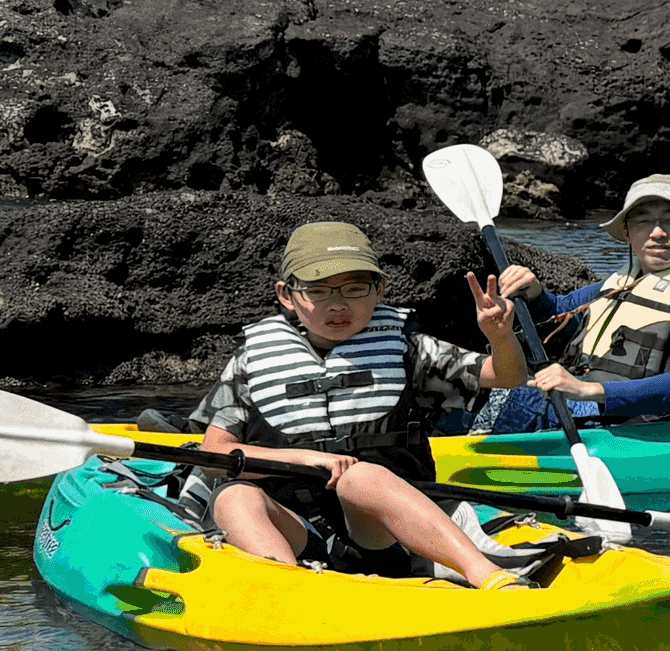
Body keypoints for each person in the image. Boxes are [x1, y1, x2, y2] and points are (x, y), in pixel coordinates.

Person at [181, 220, 539, 591]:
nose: (337, 304)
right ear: (287, 295)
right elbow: (214, 454)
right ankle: (290, 590)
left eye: (354, 288)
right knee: (234, 496)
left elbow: (507, 376)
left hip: (385, 538)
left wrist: (501, 338)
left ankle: (486, 574)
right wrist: (305, 459)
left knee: (360, 477)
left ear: (380, 289)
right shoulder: (251, 360)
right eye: (317, 291)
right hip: (298, 533)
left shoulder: (407, 347)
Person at [482, 175, 670, 431]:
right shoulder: (620, 282)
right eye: (643, 221)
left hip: (641, 424)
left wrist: (587, 390)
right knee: (475, 379)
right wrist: (534, 294)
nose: (657, 233)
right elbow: (562, 314)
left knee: (497, 397)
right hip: (584, 410)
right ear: (627, 232)